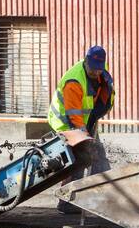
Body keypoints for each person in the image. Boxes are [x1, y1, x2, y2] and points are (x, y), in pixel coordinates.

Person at [48, 45, 115, 181]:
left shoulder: (101, 70)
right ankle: (67, 200)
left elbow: (106, 92)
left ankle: (100, 188)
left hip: (84, 119)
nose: (96, 73)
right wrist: (85, 139)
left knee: (98, 153)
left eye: (99, 69)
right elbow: (74, 117)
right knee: (77, 161)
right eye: (93, 69)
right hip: (65, 123)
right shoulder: (74, 82)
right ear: (86, 61)